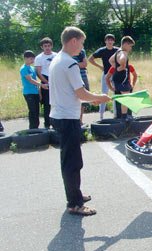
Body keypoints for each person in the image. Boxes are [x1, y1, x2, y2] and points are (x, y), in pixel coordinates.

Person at [49, 26, 111, 216]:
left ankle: (75, 194)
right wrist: (100, 97)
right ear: (73, 41)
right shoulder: (69, 63)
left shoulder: (57, 60)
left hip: (60, 115)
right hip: (67, 118)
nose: (82, 47)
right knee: (72, 163)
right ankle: (74, 204)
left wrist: (93, 98)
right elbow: (81, 93)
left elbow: (74, 93)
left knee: (69, 160)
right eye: (82, 42)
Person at [88, 34, 118, 119]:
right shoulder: (102, 50)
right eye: (108, 40)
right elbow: (90, 59)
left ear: (114, 41)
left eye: (111, 40)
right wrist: (100, 66)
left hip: (115, 74)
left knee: (115, 93)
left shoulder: (117, 50)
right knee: (104, 94)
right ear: (105, 41)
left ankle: (115, 114)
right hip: (105, 74)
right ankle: (101, 115)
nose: (110, 42)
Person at [108, 36, 135, 120]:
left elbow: (110, 60)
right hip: (123, 79)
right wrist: (121, 67)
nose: (130, 48)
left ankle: (123, 116)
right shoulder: (123, 53)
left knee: (123, 98)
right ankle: (124, 117)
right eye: (130, 46)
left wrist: (116, 67)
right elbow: (123, 60)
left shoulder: (117, 52)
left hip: (116, 78)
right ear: (126, 44)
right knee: (126, 98)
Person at [20, 50, 48, 129]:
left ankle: (36, 127)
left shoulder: (32, 68)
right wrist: (42, 85)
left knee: (37, 111)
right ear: (25, 58)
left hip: (35, 92)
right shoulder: (23, 69)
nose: (32, 61)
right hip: (28, 93)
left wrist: (39, 93)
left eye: (33, 59)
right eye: (30, 59)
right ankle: (32, 128)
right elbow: (30, 80)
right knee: (32, 111)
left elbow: (36, 79)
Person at [34, 37, 57, 128]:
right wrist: (46, 82)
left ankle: (56, 122)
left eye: (49, 45)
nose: (47, 48)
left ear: (51, 46)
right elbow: (38, 72)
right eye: (45, 46)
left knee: (56, 103)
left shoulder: (56, 55)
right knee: (47, 103)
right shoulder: (39, 58)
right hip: (45, 80)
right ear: (42, 47)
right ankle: (47, 123)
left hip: (55, 79)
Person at [72, 49, 90, 124]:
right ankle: (74, 120)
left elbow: (85, 64)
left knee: (83, 99)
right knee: (73, 99)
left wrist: (73, 64)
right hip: (72, 77)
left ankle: (80, 120)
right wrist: (78, 64)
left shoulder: (82, 51)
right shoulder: (67, 52)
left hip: (82, 76)